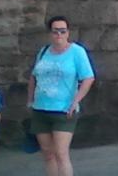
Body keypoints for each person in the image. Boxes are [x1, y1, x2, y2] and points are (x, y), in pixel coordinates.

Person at [28, 16, 95, 176]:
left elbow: (88, 77)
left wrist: (76, 101)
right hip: (41, 109)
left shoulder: (76, 52)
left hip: (64, 110)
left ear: (68, 33)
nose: (59, 35)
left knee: (61, 153)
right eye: (55, 31)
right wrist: (30, 100)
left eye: (62, 31)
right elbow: (33, 76)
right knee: (47, 154)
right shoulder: (44, 51)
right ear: (50, 33)